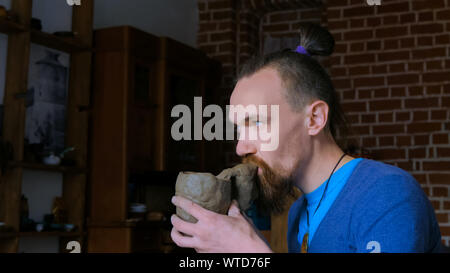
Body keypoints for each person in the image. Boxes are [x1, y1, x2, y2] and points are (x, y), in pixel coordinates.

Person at [170, 23, 443, 253]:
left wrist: (253, 251)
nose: (242, 146)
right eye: (239, 129)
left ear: (314, 119)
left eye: (256, 122)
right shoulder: (297, 214)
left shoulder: (385, 194)